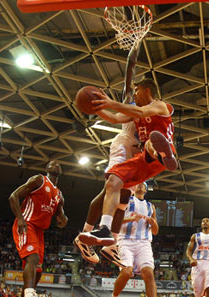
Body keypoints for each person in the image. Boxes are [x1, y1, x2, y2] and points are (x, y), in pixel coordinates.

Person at [78, 77, 177, 246]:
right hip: (143, 161)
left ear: (147, 90)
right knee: (113, 181)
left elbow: (140, 113)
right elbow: (115, 118)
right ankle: (105, 229)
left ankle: (161, 152)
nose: (135, 95)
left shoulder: (160, 105)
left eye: (137, 90)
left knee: (150, 141)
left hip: (158, 151)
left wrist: (109, 102)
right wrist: (95, 107)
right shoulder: (134, 112)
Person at [74, 47, 141, 267]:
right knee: (110, 189)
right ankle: (84, 236)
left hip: (137, 155)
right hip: (122, 146)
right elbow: (129, 78)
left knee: (122, 201)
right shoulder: (131, 101)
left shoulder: (152, 112)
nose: (137, 91)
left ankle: (111, 245)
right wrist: (134, 51)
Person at [9, 161, 68, 297]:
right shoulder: (39, 180)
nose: (57, 165)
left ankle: (29, 292)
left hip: (40, 231)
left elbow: (61, 216)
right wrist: (20, 218)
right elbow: (13, 196)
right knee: (33, 258)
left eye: (59, 164)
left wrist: (63, 219)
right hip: (27, 224)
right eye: (53, 164)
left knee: (39, 270)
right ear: (46, 168)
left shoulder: (59, 194)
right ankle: (30, 293)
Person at [112, 182, 158, 297]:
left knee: (148, 273)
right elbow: (114, 221)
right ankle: (114, 295)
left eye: (144, 184)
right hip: (125, 240)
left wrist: (153, 223)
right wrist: (131, 219)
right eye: (139, 183)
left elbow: (155, 231)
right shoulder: (126, 200)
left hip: (144, 242)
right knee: (127, 271)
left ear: (146, 190)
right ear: (134, 187)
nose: (141, 185)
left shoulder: (150, 206)